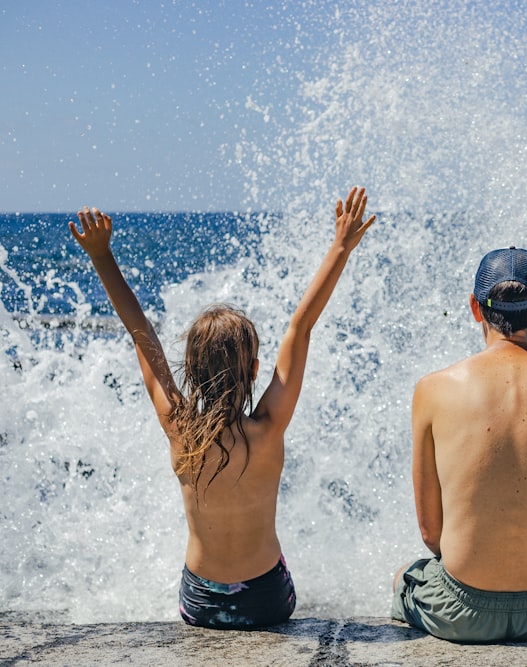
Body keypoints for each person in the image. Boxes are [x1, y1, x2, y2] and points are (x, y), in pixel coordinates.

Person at [69, 187, 375, 629]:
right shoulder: (268, 427)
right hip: (267, 599)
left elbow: (140, 331)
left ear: (190, 369)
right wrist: (340, 247)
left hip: (201, 602)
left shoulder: (179, 428)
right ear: (254, 370)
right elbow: (301, 327)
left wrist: (101, 255)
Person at [391, 247, 527, 643]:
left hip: (461, 616)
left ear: (475, 307)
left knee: (405, 576)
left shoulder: (433, 389)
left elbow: (431, 532)